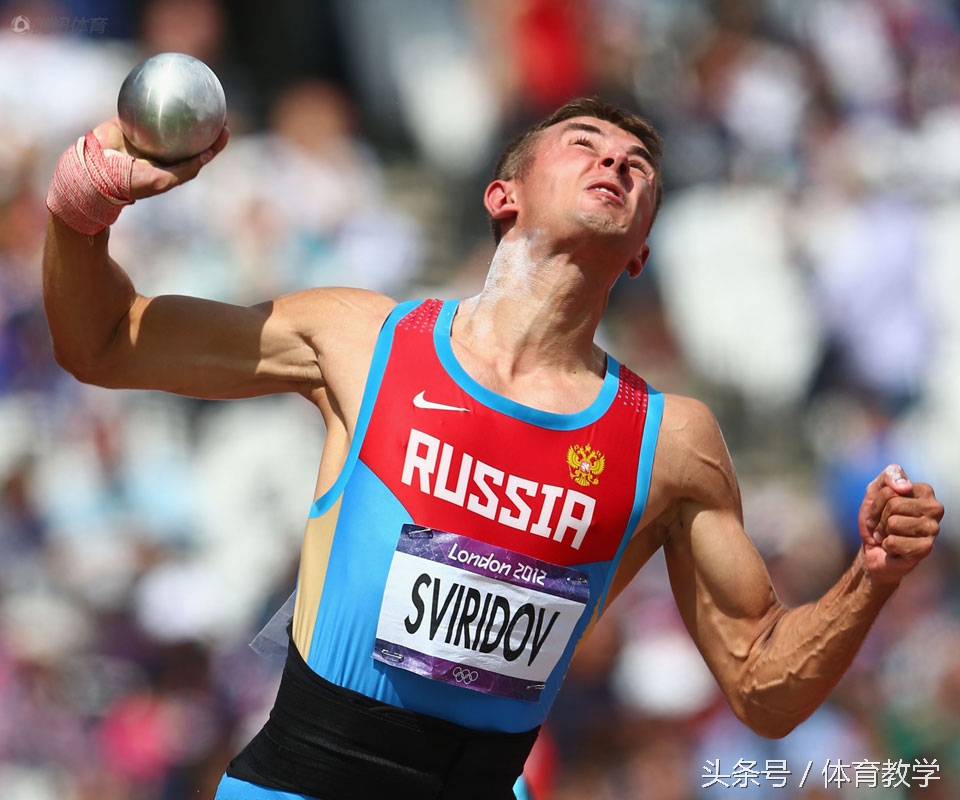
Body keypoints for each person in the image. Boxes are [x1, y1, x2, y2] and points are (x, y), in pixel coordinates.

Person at [42, 97, 943, 800]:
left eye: (638, 167)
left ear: (639, 254)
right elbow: (106, 343)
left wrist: (871, 578)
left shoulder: (671, 442)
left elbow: (763, 690)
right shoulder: (365, 342)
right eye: (585, 144)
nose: (617, 162)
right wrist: (81, 208)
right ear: (501, 196)